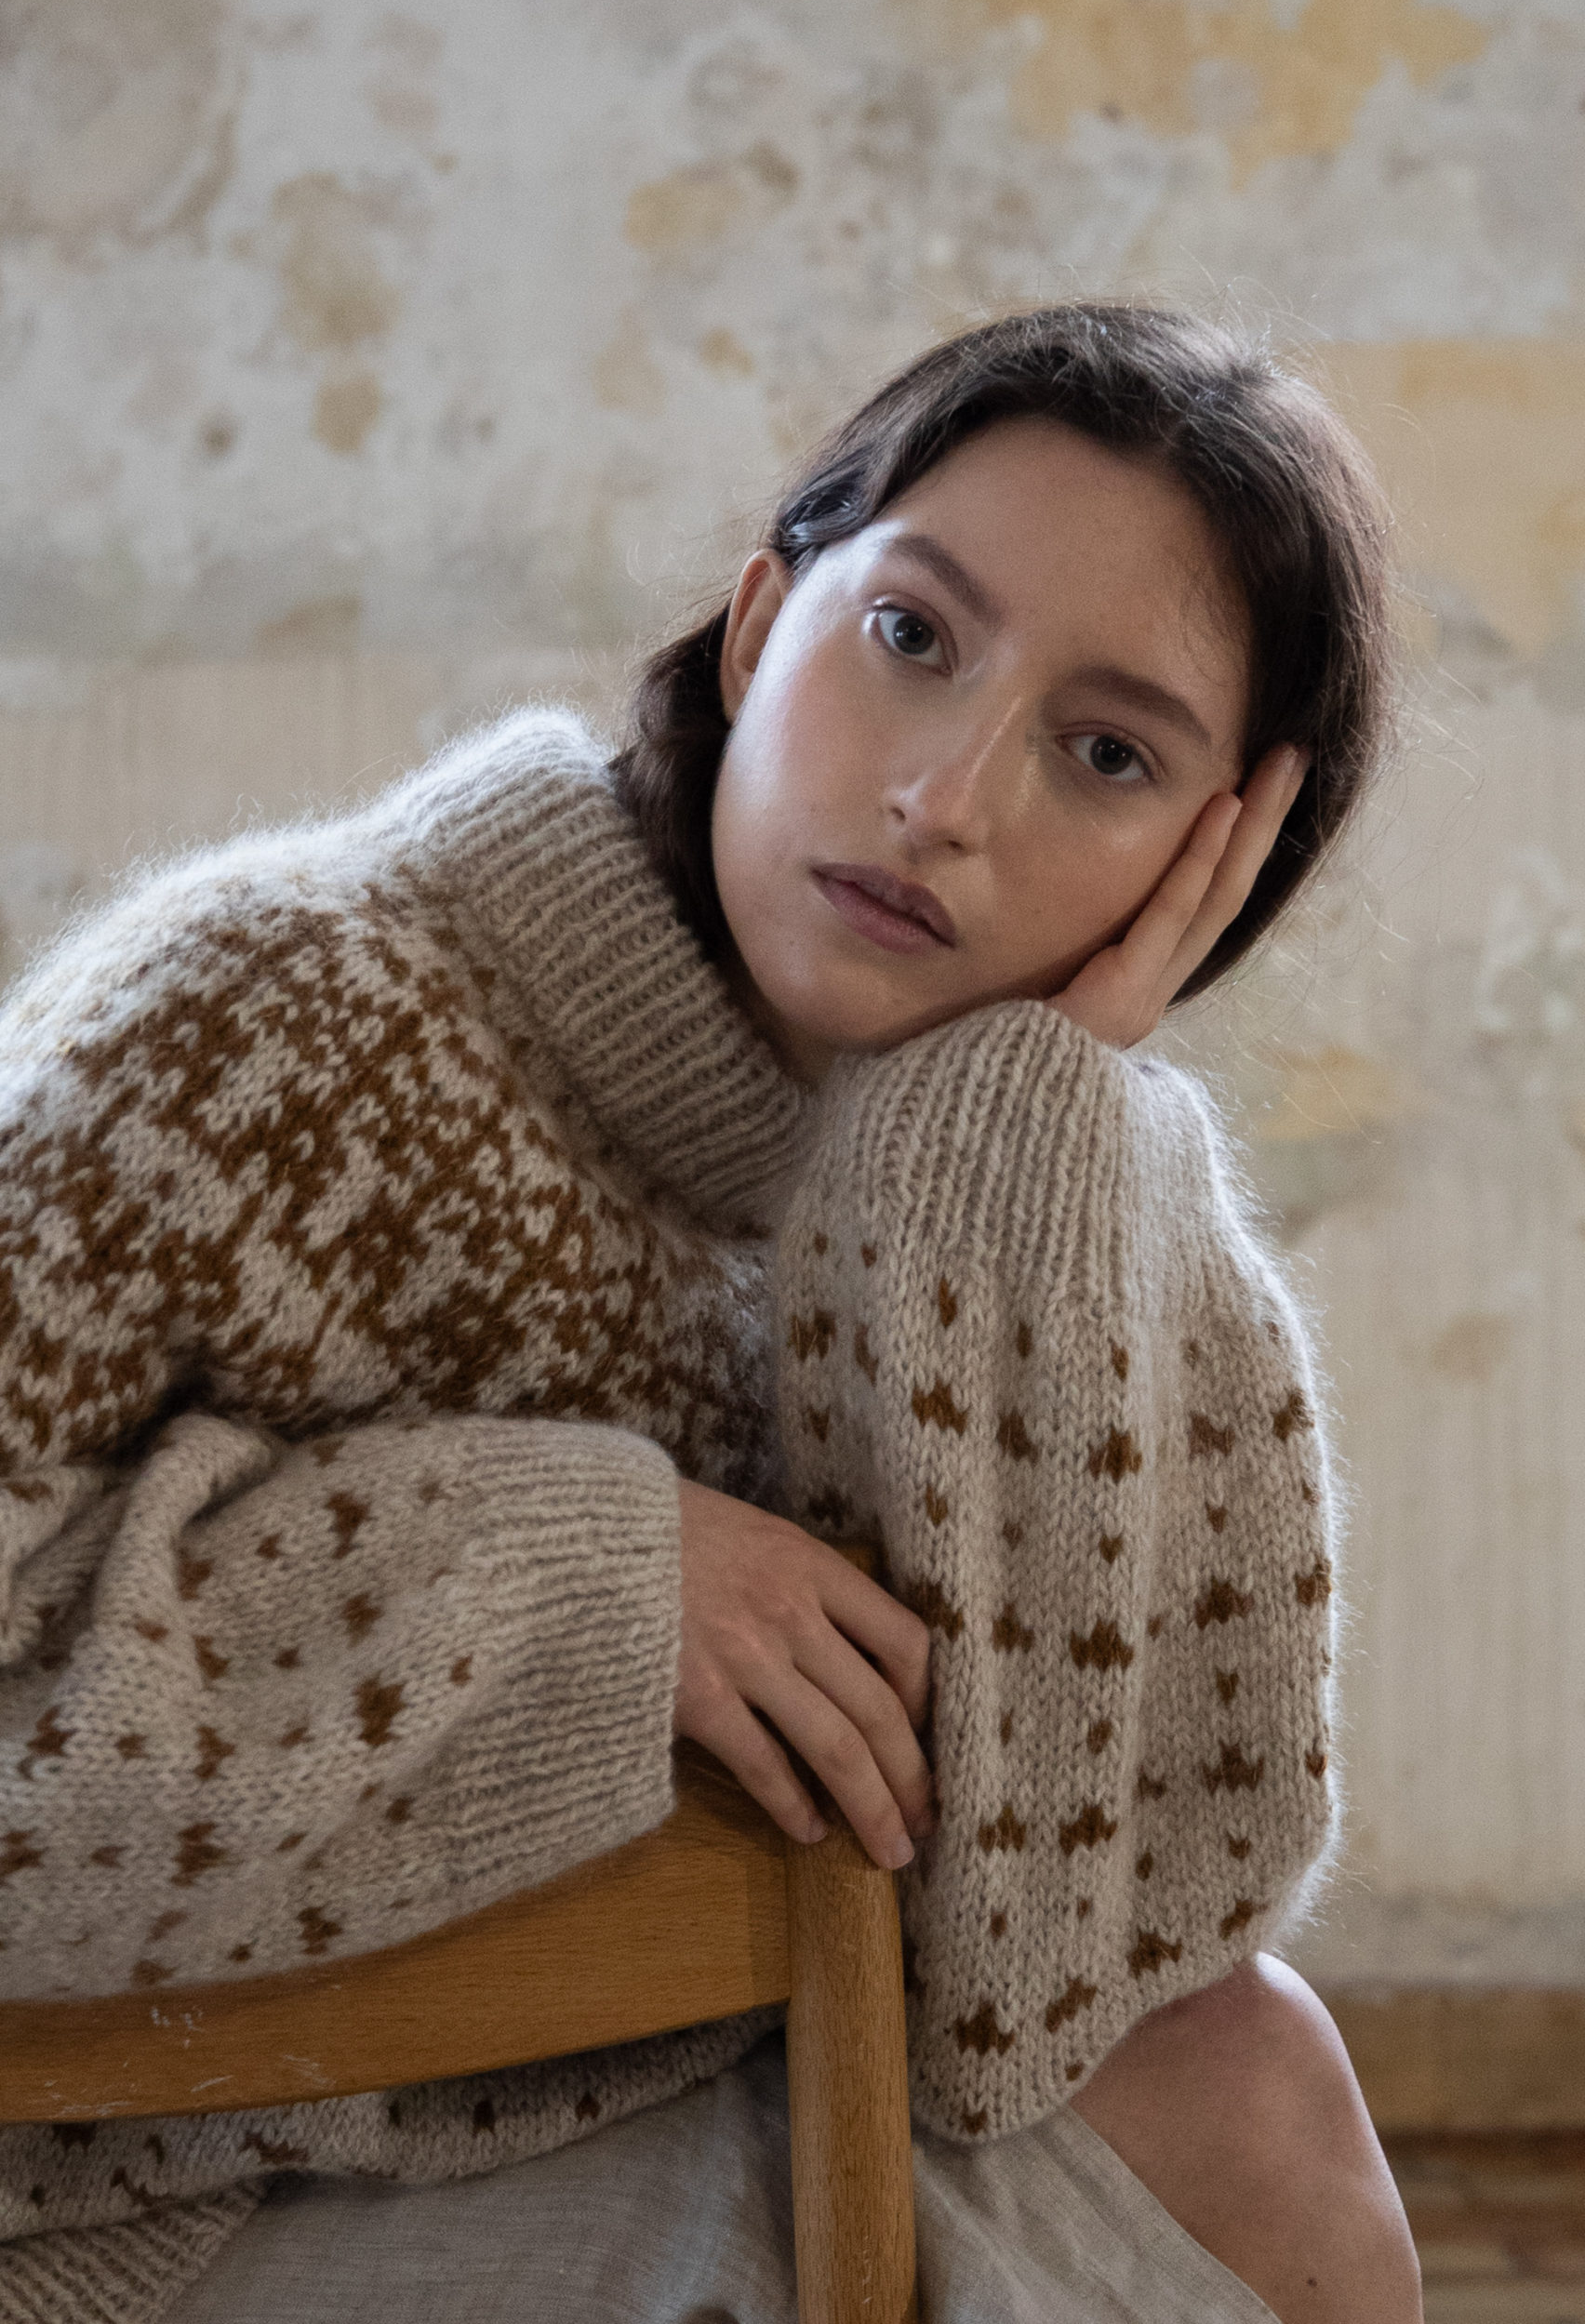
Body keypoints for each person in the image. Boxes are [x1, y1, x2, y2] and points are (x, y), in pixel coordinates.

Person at [0, 304, 1421, 2323]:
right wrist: (576, 1576)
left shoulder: (1052, 1177)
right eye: (910, 635)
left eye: (1105, 754)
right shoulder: (270, 1016)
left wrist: (999, 1140)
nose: (945, 795)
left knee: (1247, 2080)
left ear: (1210, 867)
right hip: (115, 2182)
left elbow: (1051, 1966)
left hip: (549, 2080)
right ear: (760, 627)